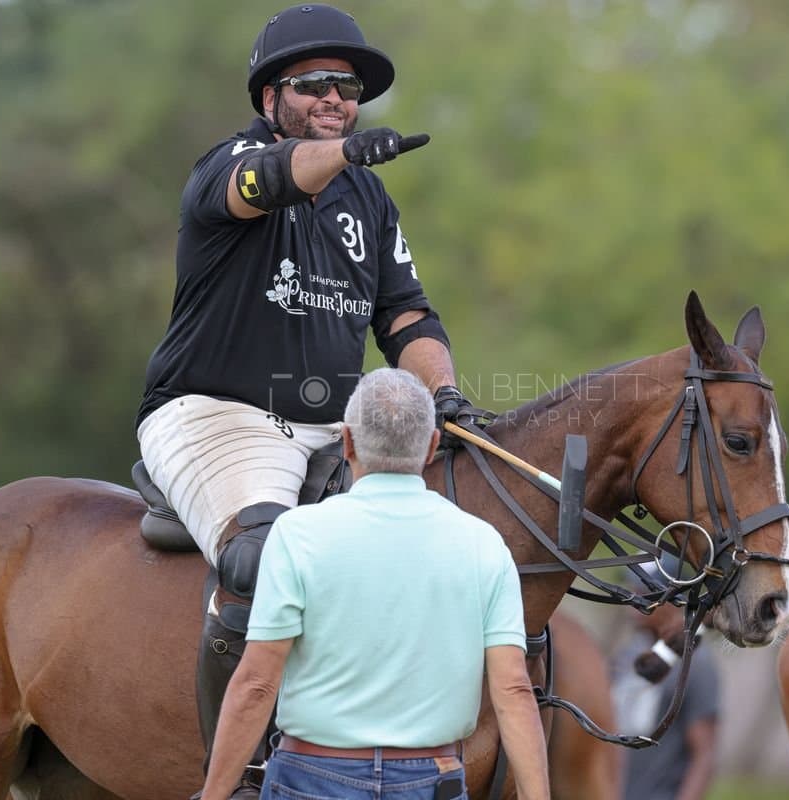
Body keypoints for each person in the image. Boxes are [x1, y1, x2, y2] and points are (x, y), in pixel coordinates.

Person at [133, 4, 476, 791]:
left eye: (347, 87)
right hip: (213, 413)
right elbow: (268, 182)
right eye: (313, 83)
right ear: (268, 99)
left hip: (334, 427)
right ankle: (246, 773)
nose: (334, 97)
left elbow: (408, 314)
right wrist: (342, 150)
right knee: (259, 562)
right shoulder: (231, 164)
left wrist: (444, 396)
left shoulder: (368, 202)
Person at [197, 368, 550, 800]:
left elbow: (256, 684)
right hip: (431, 780)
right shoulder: (484, 544)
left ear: (346, 442)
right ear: (431, 448)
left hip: (312, 775)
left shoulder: (297, 534)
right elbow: (513, 690)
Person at [610, 614, 720, 800]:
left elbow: (703, 754)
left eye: (646, 592)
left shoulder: (697, 664)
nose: (635, 601)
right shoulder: (629, 653)